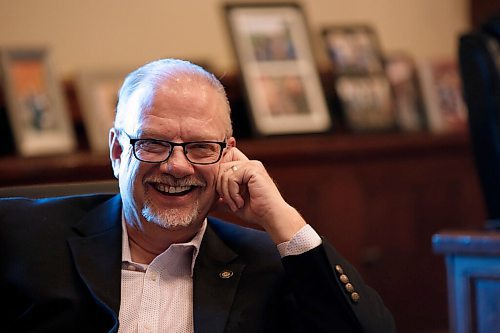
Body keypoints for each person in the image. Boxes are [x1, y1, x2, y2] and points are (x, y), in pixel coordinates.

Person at [0, 58, 396, 333]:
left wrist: (284, 220)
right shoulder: (22, 235)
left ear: (228, 154)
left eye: (201, 147)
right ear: (118, 151)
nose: (178, 166)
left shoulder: (267, 265)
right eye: (154, 144)